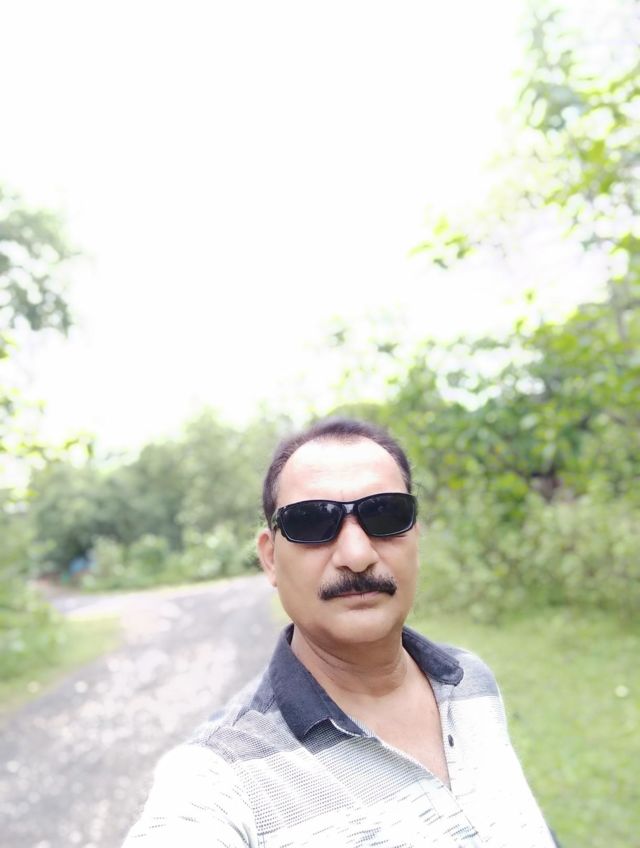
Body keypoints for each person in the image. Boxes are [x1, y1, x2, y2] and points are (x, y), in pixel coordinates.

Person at [123, 417, 558, 847]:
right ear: (270, 558)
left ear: (415, 537)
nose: (357, 554)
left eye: (385, 514)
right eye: (311, 522)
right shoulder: (221, 775)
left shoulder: (468, 679)